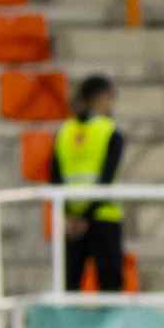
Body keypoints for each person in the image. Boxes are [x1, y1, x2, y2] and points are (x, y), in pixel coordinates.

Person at [54, 77, 128, 294]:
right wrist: (84, 217)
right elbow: (106, 178)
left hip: (72, 221)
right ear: (99, 98)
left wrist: (71, 215)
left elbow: (56, 178)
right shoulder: (111, 132)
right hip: (104, 216)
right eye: (109, 98)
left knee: (70, 286)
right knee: (110, 286)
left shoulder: (63, 131)